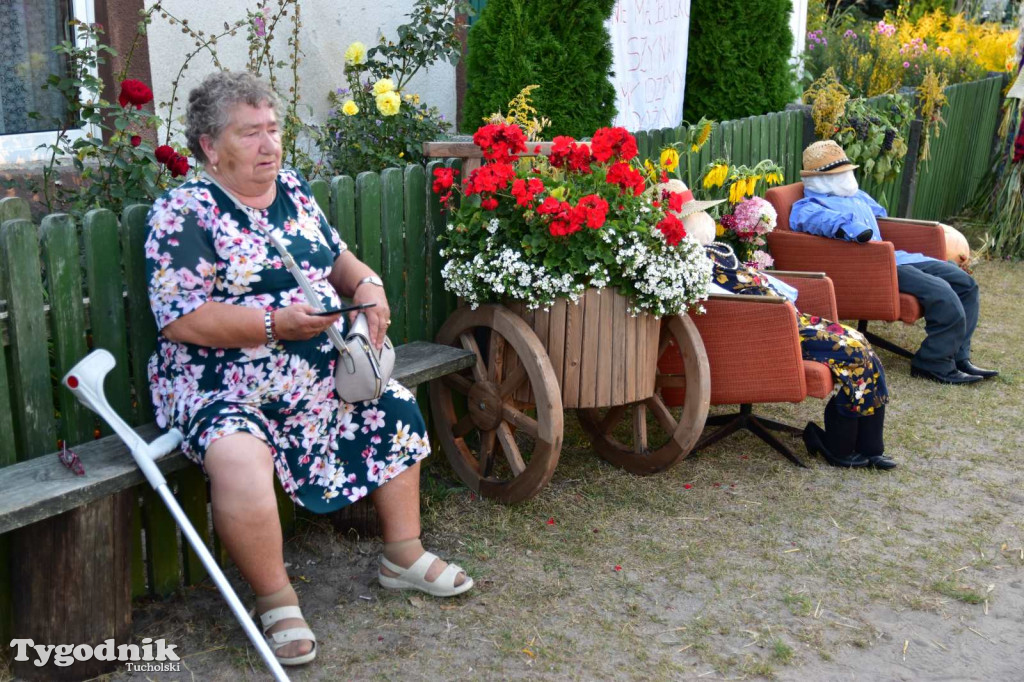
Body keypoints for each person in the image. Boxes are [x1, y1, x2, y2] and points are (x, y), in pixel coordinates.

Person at [145, 71, 472, 667]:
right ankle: (276, 599)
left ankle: (403, 555)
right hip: (219, 384)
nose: (270, 145)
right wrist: (273, 326)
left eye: (274, 129)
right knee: (239, 457)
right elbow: (181, 318)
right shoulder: (182, 211)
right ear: (209, 147)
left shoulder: (293, 189)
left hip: (317, 367)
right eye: (251, 134)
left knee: (392, 401)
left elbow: (337, 259)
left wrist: (368, 287)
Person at [668, 180, 896, 469]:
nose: (703, 217)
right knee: (852, 353)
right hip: (765, 329)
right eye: (694, 213)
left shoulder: (710, 249)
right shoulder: (688, 263)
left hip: (781, 317)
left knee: (861, 343)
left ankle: (870, 445)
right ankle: (838, 444)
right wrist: (773, 307)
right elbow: (720, 306)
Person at [789, 140, 998, 385]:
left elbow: (881, 214)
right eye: (841, 173)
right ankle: (933, 363)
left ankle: (959, 357)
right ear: (821, 179)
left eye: (847, 171)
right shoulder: (809, 206)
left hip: (894, 257)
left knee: (964, 283)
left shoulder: (854, 195)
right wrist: (855, 229)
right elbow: (824, 221)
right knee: (942, 292)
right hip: (869, 267)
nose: (848, 176)